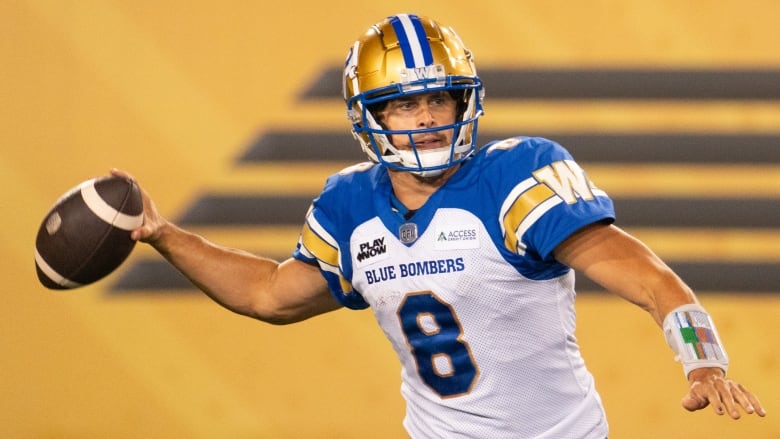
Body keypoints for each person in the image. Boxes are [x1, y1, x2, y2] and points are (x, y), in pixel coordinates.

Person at [116, 13, 765, 438]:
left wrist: (703, 360)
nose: (425, 115)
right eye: (403, 103)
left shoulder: (515, 179)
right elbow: (268, 294)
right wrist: (162, 233)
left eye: (438, 97)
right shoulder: (348, 204)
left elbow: (653, 279)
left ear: (465, 101)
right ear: (371, 116)